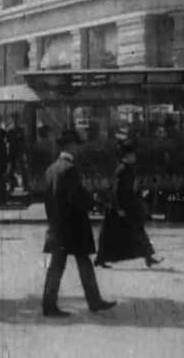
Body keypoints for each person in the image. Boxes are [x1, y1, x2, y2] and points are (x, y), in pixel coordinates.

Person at [42, 129, 116, 317]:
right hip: (74, 226)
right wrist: (94, 202)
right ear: (70, 146)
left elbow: (49, 199)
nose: (79, 149)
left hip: (57, 226)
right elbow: (76, 197)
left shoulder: (51, 168)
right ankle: (94, 302)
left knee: (57, 266)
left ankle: (49, 304)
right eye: (76, 145)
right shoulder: (70, 169)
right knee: (83, 263)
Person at [94, 138, 163, 268]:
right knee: (111, 234)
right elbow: (116, 190)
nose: (135, 157)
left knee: (136, 231)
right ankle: (100, 259)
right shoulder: (122, 170)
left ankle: (148, 257)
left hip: (127, 206)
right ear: (128, 156)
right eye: (133, 155)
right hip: (120, 207)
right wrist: (119, 208)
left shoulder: (128, 168)